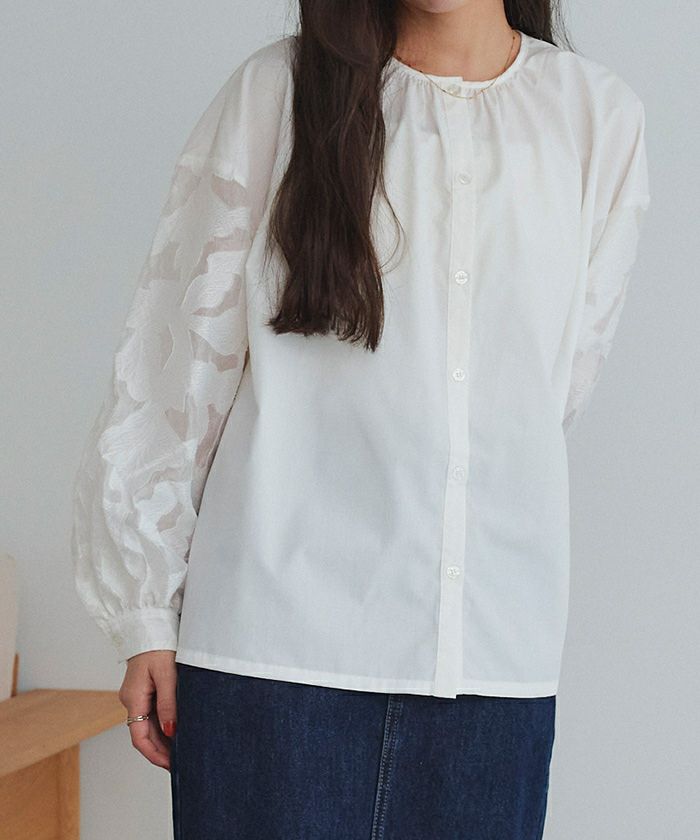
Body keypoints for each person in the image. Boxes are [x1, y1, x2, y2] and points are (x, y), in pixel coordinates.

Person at [70, 1, 651, 837]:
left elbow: (550, 391)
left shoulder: (598, 118)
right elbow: (174, 369)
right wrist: (145, 612)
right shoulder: (279, 91)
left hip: (488, 662)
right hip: (270, 658)